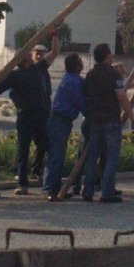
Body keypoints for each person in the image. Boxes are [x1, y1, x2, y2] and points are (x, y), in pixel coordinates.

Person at [0, 32, 59, 195]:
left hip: (42, 115)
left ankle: (47, 179)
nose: (32, 56)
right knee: (23, 150)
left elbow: (54, 53)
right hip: (25, 116)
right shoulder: (14, 75)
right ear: (22, 59)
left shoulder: (38, 68)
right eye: (27, 54)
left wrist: (54, 36)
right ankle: (23, 184)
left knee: (46, 146)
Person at [82, 43, 134, 203]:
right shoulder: (114, 75)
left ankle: (88, 191)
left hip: (94, 120)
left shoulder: (90, 74)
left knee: (92, 156)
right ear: (107, 56)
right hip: (111, 120)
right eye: (110, 54)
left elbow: (86, 96)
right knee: (111, 157)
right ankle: (107, 193)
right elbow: (122, 96)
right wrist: (131, 116)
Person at [43, 53, 87, 201]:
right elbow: (80, 102)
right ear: (76, 65)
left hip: (61, 120)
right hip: (60, 120)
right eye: (80, 61)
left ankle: (55, 188)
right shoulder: (73, 82)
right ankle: (50, 189)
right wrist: (91, 114)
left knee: (58, 154)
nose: (82, 64)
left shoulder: (72, 79)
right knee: (56, 155)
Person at [30, 43, 53, 180]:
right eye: (37, 53)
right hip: (34, 112)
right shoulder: (33, 70)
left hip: (45, 109)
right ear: (32, 54)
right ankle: (34, 170)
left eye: (42, 53)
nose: (39, 56)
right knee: (38, 142)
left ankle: (37, 170)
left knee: (43, 143)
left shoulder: (44, 70)